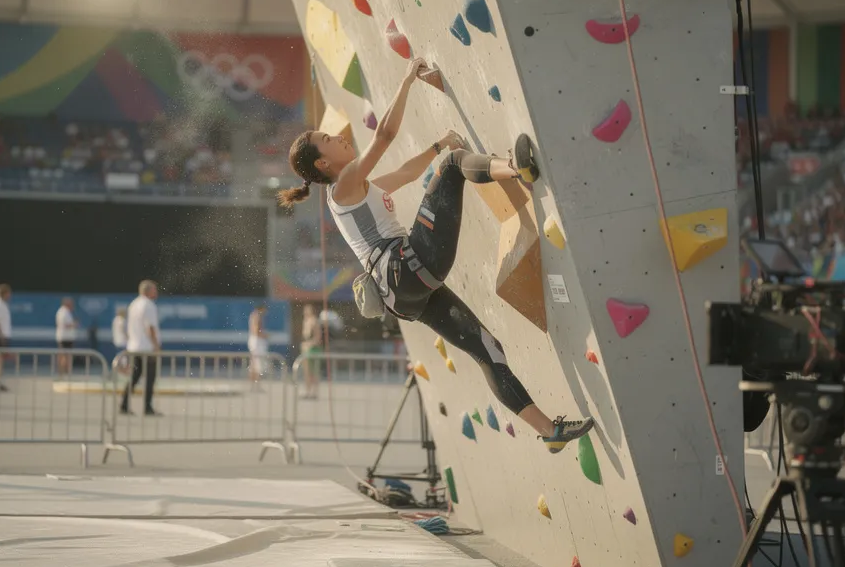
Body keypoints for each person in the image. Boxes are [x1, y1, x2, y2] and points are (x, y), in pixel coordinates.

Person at [276, 56, 594, 452]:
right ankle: (517, 168)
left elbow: (406, 175)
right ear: (323, 163)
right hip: (404, 269)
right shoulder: (344, 185)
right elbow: (386, 137)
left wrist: (435, 144)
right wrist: (408, 79)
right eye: (328, 140)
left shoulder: (358, 189)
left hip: (407, 294)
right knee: (455, 165)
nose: (339, 137)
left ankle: (550, 432)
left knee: (487, 349)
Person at [121, 280, 160, 416]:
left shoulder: (133, 304)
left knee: (134, 377)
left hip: (134, 346)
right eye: (154, 289)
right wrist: (156, 346)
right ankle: (147, 407)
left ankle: (124, 405)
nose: (156, 292)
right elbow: (150, 328)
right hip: (146, 348)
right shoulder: (149, 305)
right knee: (150, 377)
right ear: (148, 291)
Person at [299, 303, 322, 399]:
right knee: (307, 372)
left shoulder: (315, 321)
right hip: (306, 349)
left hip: (313, 349)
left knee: (314, 372)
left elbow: (318, 338)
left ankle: (314, 392)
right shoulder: (306, 321)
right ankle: (308, 391)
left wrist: (309, 344)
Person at [55, 297, 78, 376]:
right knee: (65, 355)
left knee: (65, 355)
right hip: (65, 338)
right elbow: (65, 325)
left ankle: (64, 371)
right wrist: (74, 324)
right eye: (71, 304)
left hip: (66, 337)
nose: (73, 306)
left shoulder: (65, 312)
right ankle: (64, 372)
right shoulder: (63, 312)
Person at [247, 303, 269, 383]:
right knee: (257, 363)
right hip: (256, 341)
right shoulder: (257, 316)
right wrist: (265, 335)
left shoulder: (254, 315)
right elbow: (256, 331)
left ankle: (253, 383)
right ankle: (256, 382)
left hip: (254, 340)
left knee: (254, 362)